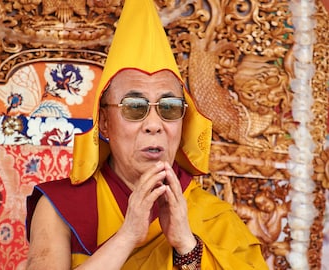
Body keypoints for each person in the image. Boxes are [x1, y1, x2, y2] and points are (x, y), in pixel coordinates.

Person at [25, 0, 269, 269]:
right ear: (104, 122)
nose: (154, 124)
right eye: (134, 107)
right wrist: (127, 236)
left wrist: (186, 245)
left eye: (169, 107)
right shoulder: (62, 206)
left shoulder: (213, 217)